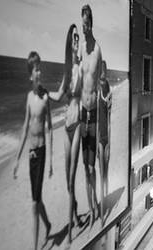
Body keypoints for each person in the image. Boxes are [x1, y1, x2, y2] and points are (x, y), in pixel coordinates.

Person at [13, 51, 52, 250]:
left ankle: (36, 247)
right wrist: (18, 158)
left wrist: (52, 160)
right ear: (31, 75)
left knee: (34, 203)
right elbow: (25, 128)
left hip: (42, 151)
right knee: (37, 200)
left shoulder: (45, 97)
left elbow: (51, 128)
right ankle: (48, 225)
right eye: (36, 69)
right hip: (31, 154)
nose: (39, 72)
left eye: (40, 68)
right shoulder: (29, 98)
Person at [48, 24, 82, 245]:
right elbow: (60, 94)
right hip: (65, 126)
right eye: (74, 38)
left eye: (78, 37)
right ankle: (77, 215)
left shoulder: (82, 67)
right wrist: (43, 93)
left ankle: (70, 233)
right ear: (69, 44)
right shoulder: (67, 71)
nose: (76, 41)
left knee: (71, 177)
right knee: (68, 183)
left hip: (78, 123)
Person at [80, 4, 103, 227]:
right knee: (83, 167)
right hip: (80, 113)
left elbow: (98, 84)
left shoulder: (97, 50)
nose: (84, 28)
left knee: (91, 166)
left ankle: (95, 206)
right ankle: (90, 206)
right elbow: (78, 81)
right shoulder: (81, 50)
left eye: (87, 25)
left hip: (93, 114)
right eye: (82, 24)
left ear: (91, 24)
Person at [97, 60, 112, 224]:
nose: (103, 72)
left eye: (104, 70)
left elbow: (109, 117)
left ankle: (104, 206)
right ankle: (102, 213)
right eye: (101, 70)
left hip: (106, 136)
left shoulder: (107, 88)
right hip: (98, 136)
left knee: (105, 172)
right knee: (101, 171)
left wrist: (111, 143)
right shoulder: (96, 88)